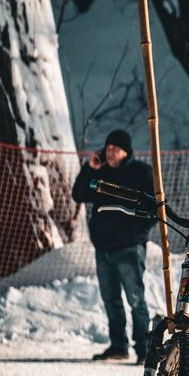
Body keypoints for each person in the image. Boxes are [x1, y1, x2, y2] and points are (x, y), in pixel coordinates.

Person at [72, 129, 154, 363]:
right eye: (107, 148)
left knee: (136, 300)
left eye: (114, 149)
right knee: (111, 300)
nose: (109, 153)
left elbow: (153, 210)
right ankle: (119, 346)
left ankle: (144, 349)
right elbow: (78, 194)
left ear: (125, 151)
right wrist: (90, 168)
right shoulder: (101, 174)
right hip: (103, 249)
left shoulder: (141, 173)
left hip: (129, 248)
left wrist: (134, 236)